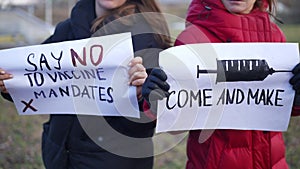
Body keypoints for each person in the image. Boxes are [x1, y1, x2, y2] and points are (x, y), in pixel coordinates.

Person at [0, 0, 171, 168]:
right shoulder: (67, 28)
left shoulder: (148, 36)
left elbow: (158, 111)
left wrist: (144, 97)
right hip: (60, 157)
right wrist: (10, 85)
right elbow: (34, 80)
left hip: (116, 161)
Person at [142, 0, 300, 168]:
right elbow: (176, 120)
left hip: (272, 162)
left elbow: (282, 106)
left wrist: (296, 96)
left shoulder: (275, 36)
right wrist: (157, 100)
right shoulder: (193, 39)